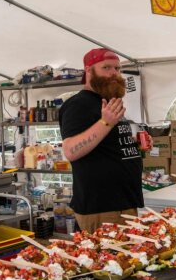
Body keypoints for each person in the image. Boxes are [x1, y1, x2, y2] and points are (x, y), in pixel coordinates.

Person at [59, 48, 151, 233]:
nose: (114, 73)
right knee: (112, 261)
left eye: (117, 68)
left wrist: (133, 145)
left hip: (122, 203)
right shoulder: (79, 104)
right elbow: (70, 150)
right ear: (88, 71)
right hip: (102, 208)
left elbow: (106, 145)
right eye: (106, 67)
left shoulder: (106, 102)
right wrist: (106, 122)